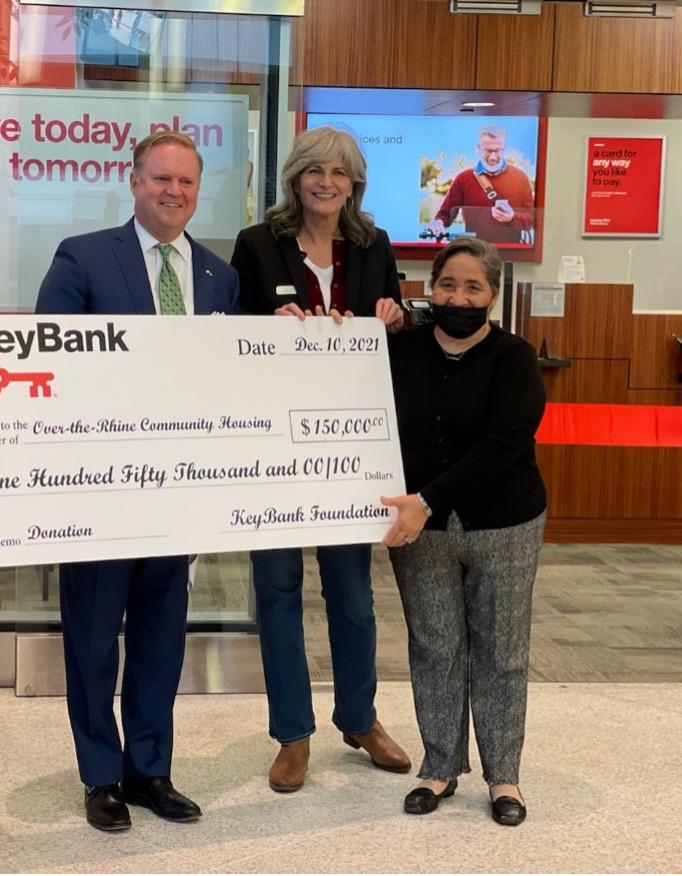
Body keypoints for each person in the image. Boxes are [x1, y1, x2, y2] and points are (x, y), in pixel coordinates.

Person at [35, 131, 239, 832]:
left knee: (160, 634)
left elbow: (231, 377)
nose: (172, 192)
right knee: (93, 637)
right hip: (101, 487)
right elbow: (50, 363)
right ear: (132, 181)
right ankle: (99, 775)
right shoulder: (83, 256)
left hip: (177, 492)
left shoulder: (219, 276)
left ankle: (149, 769)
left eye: (184, 181)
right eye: (159, 179)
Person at [230, 125, 410, 794]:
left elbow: (393, 329)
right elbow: (224, 330)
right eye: (314, 170)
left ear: (354, 183)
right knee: (277, 594)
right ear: (295, 178)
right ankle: (292, 734)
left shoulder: (373, 244)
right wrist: (258, 326)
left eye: (339, 172)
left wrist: (394, 320)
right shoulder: (257, 244)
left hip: (347, 448)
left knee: (353, 597)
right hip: (271, 444)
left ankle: (359, 719)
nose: (325, 181)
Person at [380, 237, 546, 827]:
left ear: (493, 296)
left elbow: (504, 444)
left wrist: (428, 499)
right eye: (448, 284)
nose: (458, 296)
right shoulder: (402, 352)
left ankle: (505, 776)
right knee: (435, 646)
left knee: (501, 651)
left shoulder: (515, 357)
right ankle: (440, 766)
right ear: (430, 288)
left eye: (473, 286)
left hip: (504, 522)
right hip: (422, 530)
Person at [426, 125, 534, 244]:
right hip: (474, 253)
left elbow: (532, 220)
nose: (493, 157)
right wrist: (438, 223)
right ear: (478, 148)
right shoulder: (463, 179)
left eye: (498, 150)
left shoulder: (521, 178)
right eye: (488, 151)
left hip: (511, 253)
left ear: (504, 148)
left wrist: (512, 217)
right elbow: (445, 214)